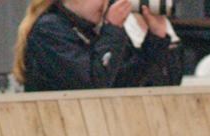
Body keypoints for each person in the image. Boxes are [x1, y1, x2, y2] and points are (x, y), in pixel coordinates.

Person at [14, 0, 182, 92]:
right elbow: (91, 86)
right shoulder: (49, 30)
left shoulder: (94, 31)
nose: (106, 3)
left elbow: (122, 84)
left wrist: (155, 40)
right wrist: (113, 29)